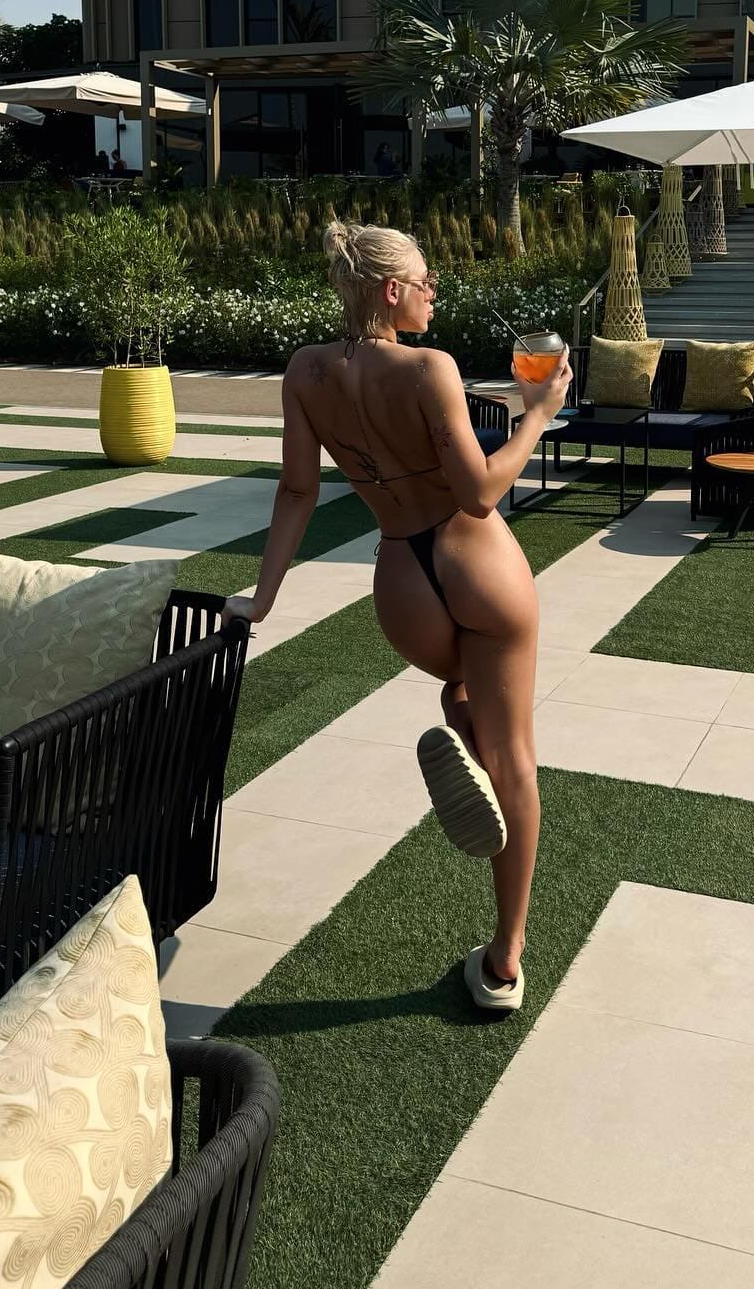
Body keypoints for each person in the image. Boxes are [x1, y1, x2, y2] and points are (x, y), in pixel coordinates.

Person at [225, 221, 571, 1013]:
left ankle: (466, 734)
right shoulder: (428, 367)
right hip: (476, 563)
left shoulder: (305, 371)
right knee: (517, 758)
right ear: (391, 290)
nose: (432, 292)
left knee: (461, 687)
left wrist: (263, 598)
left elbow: (297, 490)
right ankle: (504, 961)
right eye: (424, 281)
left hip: (402, 586)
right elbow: (479, 494)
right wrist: (538, 413)